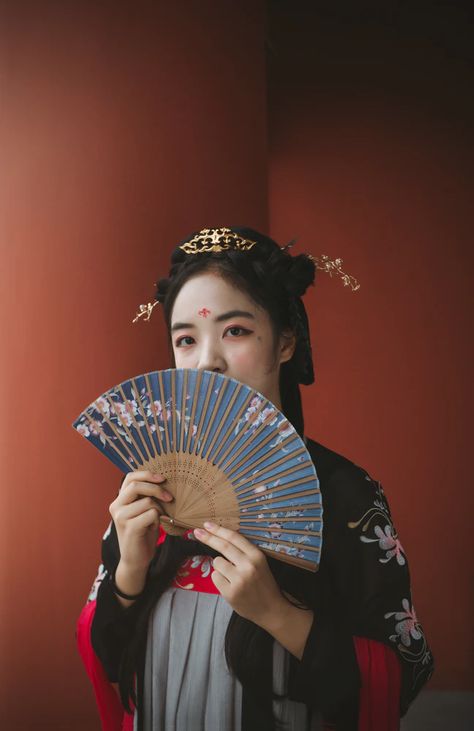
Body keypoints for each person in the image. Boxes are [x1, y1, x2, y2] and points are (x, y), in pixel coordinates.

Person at [76, 227, 434, 731]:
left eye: (236, 331)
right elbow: (110, 661)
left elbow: (399, 677)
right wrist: (130, 572)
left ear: (285, 341)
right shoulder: (154, 489)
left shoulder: (345, 494)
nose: (207, 361)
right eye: (185, 339)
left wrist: (279, 615)